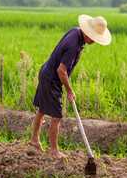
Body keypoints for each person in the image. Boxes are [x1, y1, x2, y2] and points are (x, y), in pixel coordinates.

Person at [29, 14, 111, 158]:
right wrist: (69, 90)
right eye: (95, 38)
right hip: (52, 79)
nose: (94, 41)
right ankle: (54, 151)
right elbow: (61, 70)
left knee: (42, 109)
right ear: (89, 34)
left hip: (46, 72)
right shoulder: (74, 45)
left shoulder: (75, 32)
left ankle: (34, 141)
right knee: (56, 116)